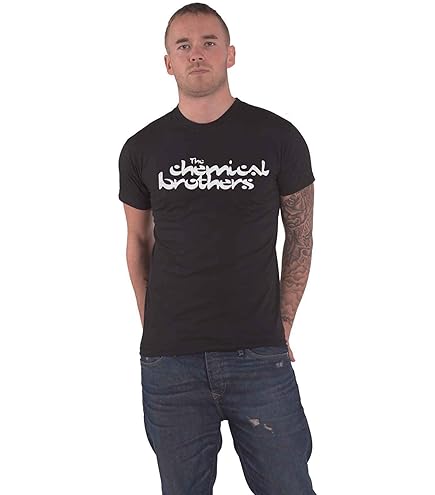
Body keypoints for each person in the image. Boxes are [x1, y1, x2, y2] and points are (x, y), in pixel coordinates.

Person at [118, 3, 316, 494]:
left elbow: (301, 236)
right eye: (183, 45)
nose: (196, 54)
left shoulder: (279, 137)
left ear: (230, 54)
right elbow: (137, 243)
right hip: (170, 365)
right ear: (168, 63)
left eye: (209, 42)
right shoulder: (141, 149)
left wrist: (283, 323)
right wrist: (154, 324)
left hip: (259, 358)